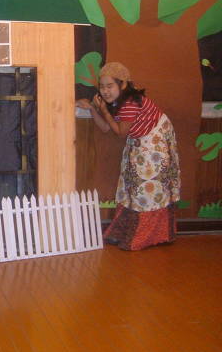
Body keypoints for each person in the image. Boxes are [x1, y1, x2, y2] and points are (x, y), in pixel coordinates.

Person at [76, 62, 180, 251]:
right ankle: (126, 232)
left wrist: (103, 110)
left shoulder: (131, 102)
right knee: (131, 186)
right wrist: (92, 109)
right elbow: (106, 127)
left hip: (154, 143)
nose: (105, 91)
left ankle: (149, 235)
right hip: (140, 142)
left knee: (147, 188)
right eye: (102, 86)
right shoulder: (118, 102)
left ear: (123, 84)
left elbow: (120, 132)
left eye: (110, 86)